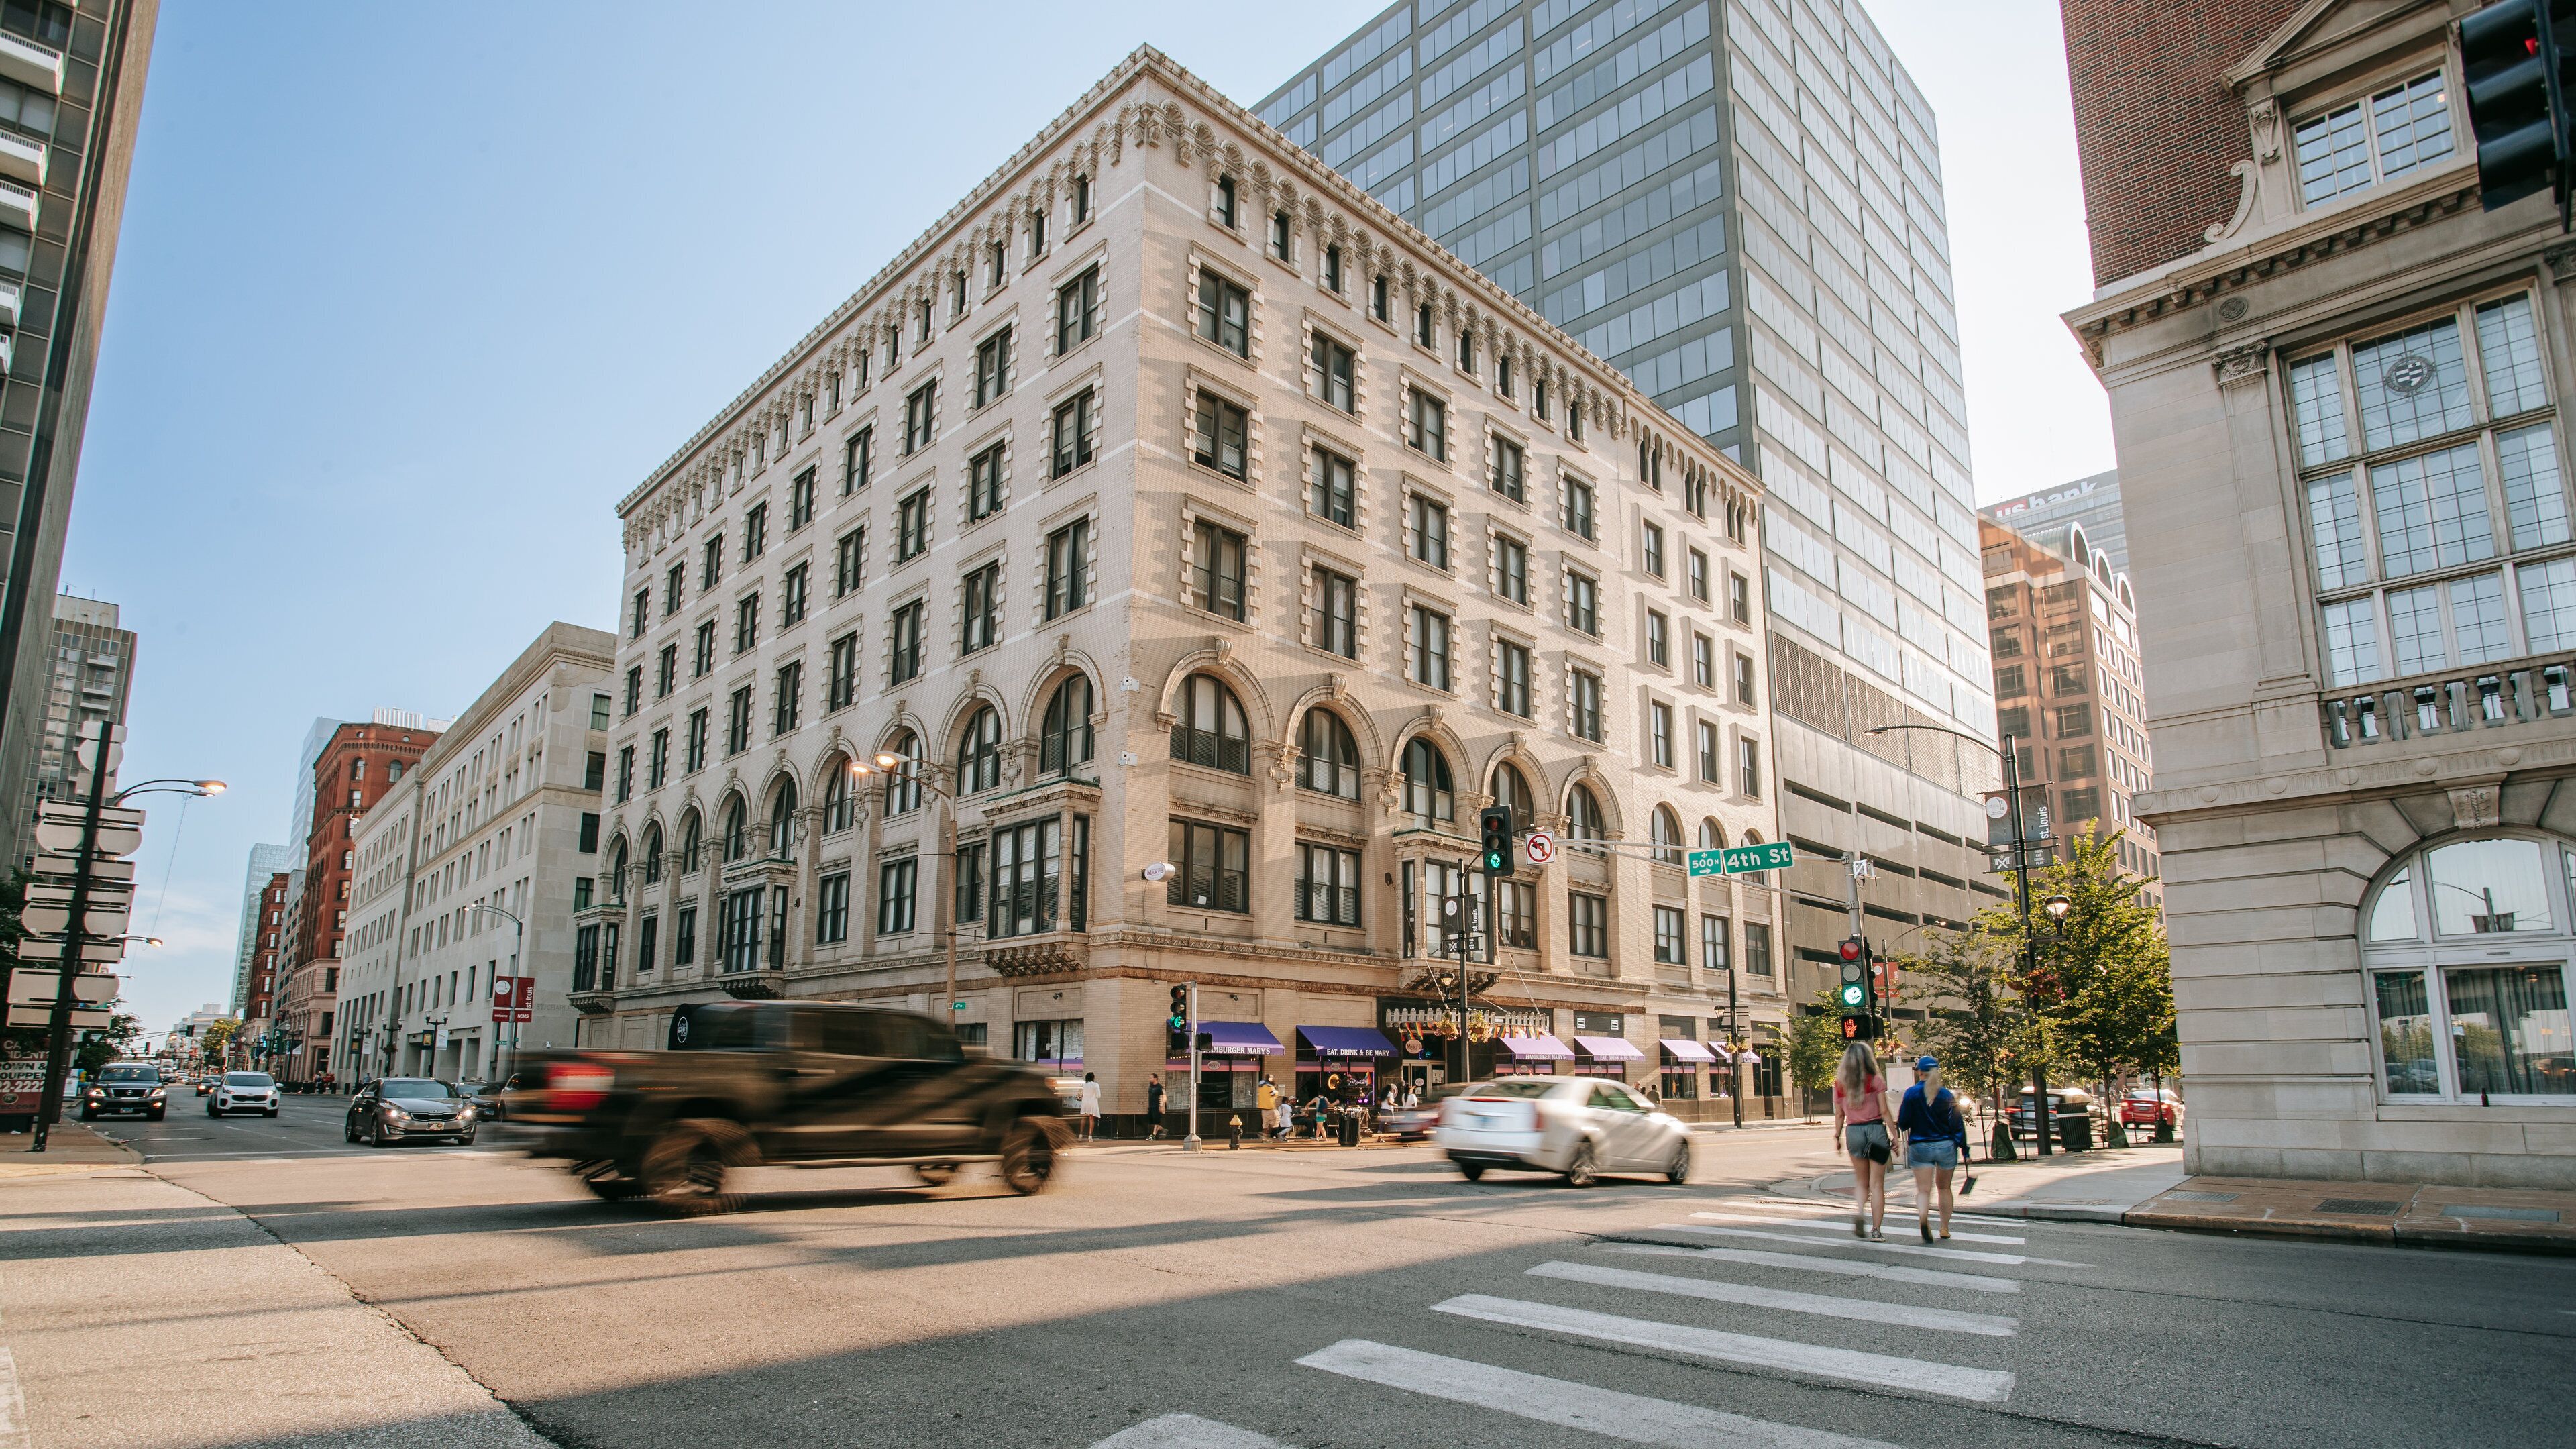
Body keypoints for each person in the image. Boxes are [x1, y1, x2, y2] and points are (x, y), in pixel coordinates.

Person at [1895, 1055, 1969, 1242]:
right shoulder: (1946, 1094)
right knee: (1944, 1188)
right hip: (1945, 1145)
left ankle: (1923, 1218)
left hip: (1920, 1145)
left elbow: (1903, 1122)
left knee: (1923, 1189)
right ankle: (1945, 1227)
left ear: (1919, 1072)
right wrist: (1964, 1149)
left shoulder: (1911, 1093)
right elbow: (1956, 1124)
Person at [1831, 1042, 1894, 1241]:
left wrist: (1837, 1137)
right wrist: (1895, 1136)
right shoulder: (1876, 1081)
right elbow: (1884, 1111)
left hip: (1854, 1132)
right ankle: (1876, 1230)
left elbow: (1840, 1114)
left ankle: (1860, 1211)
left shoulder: (1840, 1084)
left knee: (1861, 1181)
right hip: (1876, 1130)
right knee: (1877, 1184)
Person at [1077, 1071, 1101, 1142]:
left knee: (1083, 1119)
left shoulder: (1083, 1085)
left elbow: (1080, 1094)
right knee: (1091, 1119)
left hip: (1085, 1103)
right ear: (1093, 1078)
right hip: (1092, 1103)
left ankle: (1080, 1136)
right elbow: (1099, 1096)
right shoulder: (1096, 1085)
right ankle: (1090, 1137)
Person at [1145, 1075, 1167, 1140]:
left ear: (1155, 1078)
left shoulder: (1159, 1087)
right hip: (1151, 1107)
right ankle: (1163, 1130)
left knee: (1156, 1122)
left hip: (1157, 1107)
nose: (1150, 1079)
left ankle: (1153, 1136)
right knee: (1152, 1122)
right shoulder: (1151, 1086)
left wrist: (1161, 1106)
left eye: (1151, 1078)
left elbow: (1164, 1097)